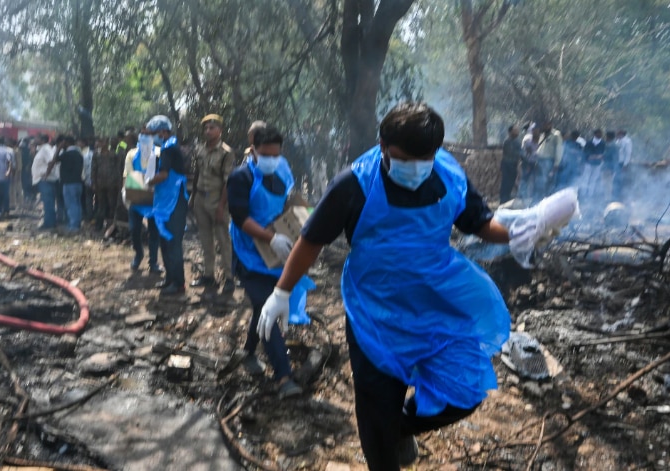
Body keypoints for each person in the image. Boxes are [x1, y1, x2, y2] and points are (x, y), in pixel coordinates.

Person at [256, 103, 514, 470]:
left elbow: (480, 223)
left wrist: (520, 234)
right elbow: (312, 239)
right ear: (382, 146)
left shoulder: (449, 177)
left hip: (435, 303)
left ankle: (398, 427)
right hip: (373, 312)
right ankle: (384, 440)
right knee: (377, 404)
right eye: (403, 158)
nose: (416, 167)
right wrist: (282, 292)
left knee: (464, 389)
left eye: (425, 158)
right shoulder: (354, 184)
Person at [227, 126, 305, 400]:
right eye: (265, 154)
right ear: (253, 150)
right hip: (249, 252)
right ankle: (284, 377)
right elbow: (240, 218)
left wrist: (294, 228)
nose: (272, 159)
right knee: (266, 307)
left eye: (276, 154)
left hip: (277, 251)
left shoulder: (282, 169)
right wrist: (270, 238)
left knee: (265, 303)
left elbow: (289, 200)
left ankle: (248, 351)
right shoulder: (241, 177)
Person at [190, 114, 236, 293]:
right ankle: (209, 276)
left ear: (220, 130)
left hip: (217, 199)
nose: (208, 131)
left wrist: (221, 206)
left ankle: (229, 277)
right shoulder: (200, 149)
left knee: (223, 239)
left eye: (212, 128)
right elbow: (197, 174)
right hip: (201, 197)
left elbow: (227, 182)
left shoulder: (226, 152)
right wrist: (193, 196)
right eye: (206, 128)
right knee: (205, 239)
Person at [145, 115, 189, 296]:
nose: (152, 137)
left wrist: (148, 182)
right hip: (166, 202)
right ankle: (170, 278)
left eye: (154, 133)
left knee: (173, 244)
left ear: (163, 132)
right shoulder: (166, 148)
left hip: (173, 203)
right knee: (165, 242)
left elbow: (163, 175)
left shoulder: (169, 150)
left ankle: (178, 283)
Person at [124, 127, 162, 273]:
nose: (145, 136)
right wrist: (125, 191)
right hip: (136, 195)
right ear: (139, 136)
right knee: (134, 229)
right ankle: (138, 254)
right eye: (143, 134)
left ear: (153, 136)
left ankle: (153, 262)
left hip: (154, 197)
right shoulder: (132, 153)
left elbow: (163, 172)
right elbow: (127, 173)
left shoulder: (159, 152)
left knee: (154, 231)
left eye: (149, 134)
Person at [48, 135, 84, 233]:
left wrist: (59, 148)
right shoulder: (79, 154)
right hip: (78, 183)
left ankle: (73, 226)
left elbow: (54, 160)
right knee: (77, 204)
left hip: (69, 183)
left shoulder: (67, 154)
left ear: (66, 143)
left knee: (71, 204)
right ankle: (77, 223)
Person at [92, 136, 121, 231]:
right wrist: (93, 183)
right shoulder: (96, 155)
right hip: (100, 184)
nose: (101, 144)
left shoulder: (113, 154)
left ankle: (111, 227)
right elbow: (93, 170)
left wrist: (118, 182)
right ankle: (98, 225)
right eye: (100, 141)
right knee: (101, 205)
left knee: (111, 205)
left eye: (103, 141)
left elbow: (117, 169)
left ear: (107, 143)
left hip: (111, 184)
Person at [31, 133, 58, 230]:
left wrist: (46, 174)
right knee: (47, 202)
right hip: (43, 179)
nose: (35, 139)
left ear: (41, 140)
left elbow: (51, 161)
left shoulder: (46, 148)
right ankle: (49, 222)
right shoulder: (42, 149)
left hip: (45, 180)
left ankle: (49, 223)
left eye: (36, 137)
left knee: (48, 202)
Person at [532, 120, 564, 199]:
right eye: (543, 125)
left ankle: (548, 201)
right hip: (540, 162)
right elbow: (540, 149)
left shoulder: (556, 135)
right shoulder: (543, 135)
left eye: (546, 125)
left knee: (548, 183)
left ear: (550, 125)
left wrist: (556, 164)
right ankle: (538, 200)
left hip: (549, 162)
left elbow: (559, 150)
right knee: (539, 183)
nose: (544, 126)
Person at [499, 125, 522, 203]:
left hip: (512, 165)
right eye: (515, 130)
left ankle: (506, 199)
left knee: (510, 183)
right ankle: (503, 200)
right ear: (510, 132)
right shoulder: (508, 142)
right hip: (508, 165)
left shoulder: (516, 141)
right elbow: (515, 153)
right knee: (506, 183)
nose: (517, 132)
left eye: (517, 130)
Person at [581, 129, 605, 199]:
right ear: (595, 134)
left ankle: (590, 194)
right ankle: (583, 193)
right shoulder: (589, 142)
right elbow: (585, 153)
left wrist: (595, 157)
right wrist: (593, 157)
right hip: (588, 164)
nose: (600, 135)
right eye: (599, 133)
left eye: (601, 133)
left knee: (593, 179)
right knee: (586, 178)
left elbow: (603, 154)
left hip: (597, 164)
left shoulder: (603, 143)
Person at [518, 126, 539, 201]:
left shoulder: (540, 140)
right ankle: (521, 197)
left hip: (535, 164)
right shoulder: (527, 140)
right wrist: (525, 162)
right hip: (528, 163)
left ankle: (532, 197)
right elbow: (523, 153)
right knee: (525, 180)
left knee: (534, 180)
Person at [613, 129, 632, 201]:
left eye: (617, 134)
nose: (616, 136)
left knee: (621, 180)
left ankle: (621, 196)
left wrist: (625, 164)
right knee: (616, 180)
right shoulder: (618, 141)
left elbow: (628, 153)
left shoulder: (627, 141)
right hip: (617, 163)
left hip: (622, 163)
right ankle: (616, 195)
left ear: (621, 134)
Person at [601, 131, 618, 201]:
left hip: (608, 167)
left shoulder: (610, 146)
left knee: (607, 184)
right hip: (609, 167)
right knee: (607, 183)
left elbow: (608, 156)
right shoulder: (613, 145)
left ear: (608, 137)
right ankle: (607, 198)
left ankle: (607, 199)